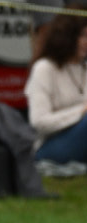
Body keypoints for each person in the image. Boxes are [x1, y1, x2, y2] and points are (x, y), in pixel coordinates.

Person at [23, 12, 87, 176]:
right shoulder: (44, 68)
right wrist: (80, 112)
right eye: (83, 36)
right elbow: (39, 122)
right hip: (49, 145)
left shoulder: (83, 68)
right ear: (66, 37)